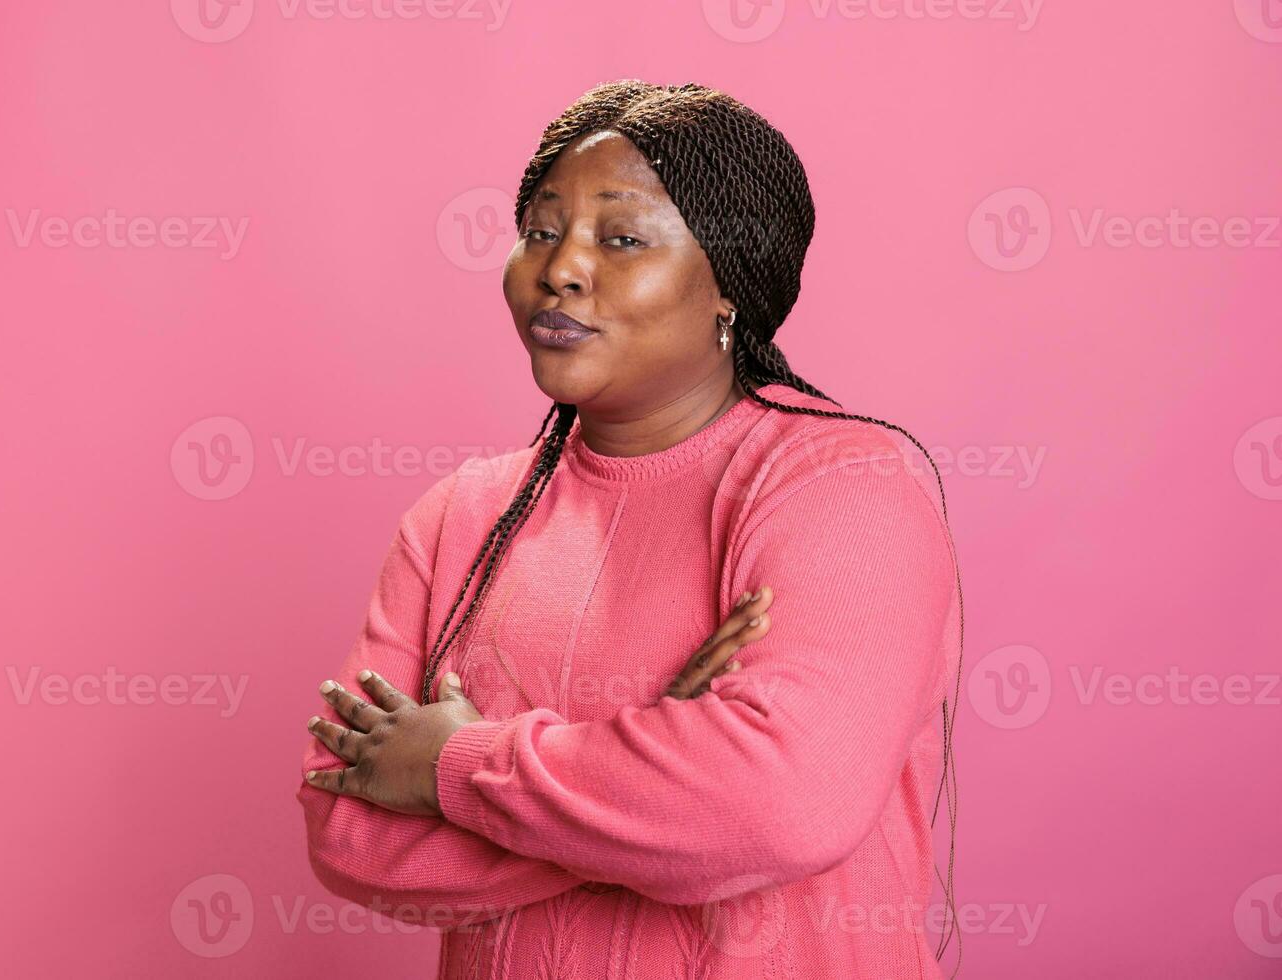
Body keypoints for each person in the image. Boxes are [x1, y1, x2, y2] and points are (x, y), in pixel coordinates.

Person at [297, 79, 966, 979]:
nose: (560, 268)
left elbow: (777, 808)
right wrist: (657, 780)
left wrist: (453, 766)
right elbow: (351, 831)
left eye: (620, 238)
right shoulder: (459, 518)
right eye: (540, 230)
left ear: (732, 283)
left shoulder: (838, 487)